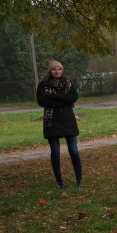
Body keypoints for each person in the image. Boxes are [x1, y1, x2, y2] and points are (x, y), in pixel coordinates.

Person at [37, 60, 83, 189]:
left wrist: (54, 98)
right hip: (51, 121)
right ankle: (59, 181)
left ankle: (79, 178)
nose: (57, 72)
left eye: (59, 69)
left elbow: (73, 97)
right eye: (54, 69)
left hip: (68, 120)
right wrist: (64, 100)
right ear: (49, 71)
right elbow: (42, 101)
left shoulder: (68, 84)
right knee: (55, 152)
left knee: (73, 150)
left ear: (62, 70)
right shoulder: (43, 85)